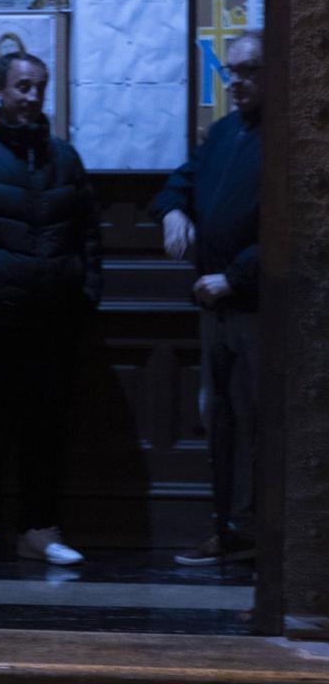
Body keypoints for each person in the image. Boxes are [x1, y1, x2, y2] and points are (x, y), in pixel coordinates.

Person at [0, 52, 103, 568]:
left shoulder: (63, 159)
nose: (31, 98)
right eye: (22, 87)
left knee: (45, 432)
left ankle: (40, 528)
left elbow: (89, 236)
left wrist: (84, 293)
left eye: (39, 88)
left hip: (52, 322)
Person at [151, 31, 262, 566]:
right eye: (232, 72)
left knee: (259, 420)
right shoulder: (223, 134)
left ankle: (260, 531)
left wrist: (236, 278)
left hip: (257, 307)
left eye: (249, 71)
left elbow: (297, 224)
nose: (237, 82)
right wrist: (174, 209)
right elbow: (179, 182)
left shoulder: (287, 138)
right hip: (215, 306)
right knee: (218, 419)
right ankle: (228, 529)